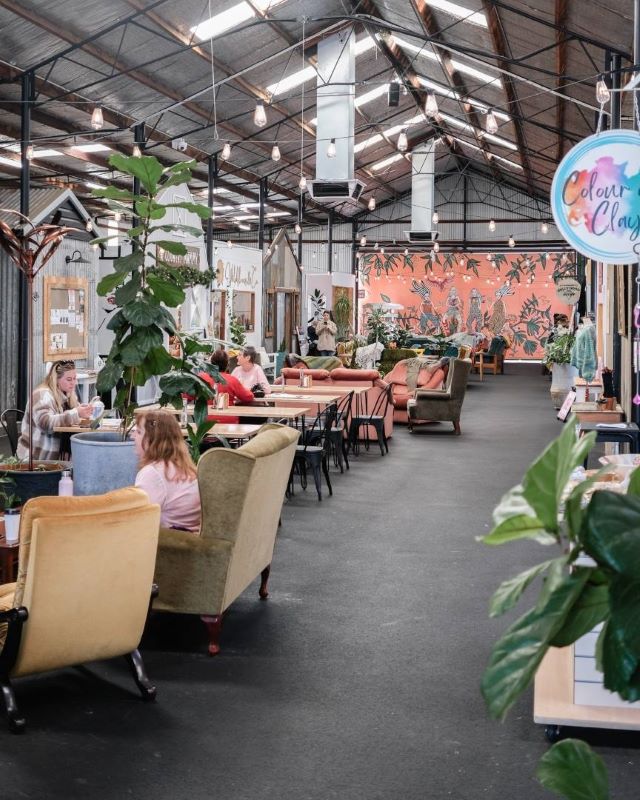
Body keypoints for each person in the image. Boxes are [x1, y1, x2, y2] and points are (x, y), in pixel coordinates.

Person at [133, 409, 201, 532]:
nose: (133, 436)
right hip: (190, 539)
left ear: (152, 439)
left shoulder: (153, 473)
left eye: (138, 432)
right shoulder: (183, 466)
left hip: (169, 544)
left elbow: (139, 520)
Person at [16, 360, 92, 461]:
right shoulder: (42, 395)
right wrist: (76, 413)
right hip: (35, 458)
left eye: (75, 378)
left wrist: (84, 411)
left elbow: (72, 415)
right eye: (69, 379)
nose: (74, 383)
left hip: (54, 457)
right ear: (56, 379)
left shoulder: (68, 395)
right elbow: (46, 423)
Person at [200, 349, 255, 424]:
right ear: (227, 365)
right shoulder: (232, 380)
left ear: (210, 364)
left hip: (203, 420)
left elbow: (187, 396)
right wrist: (249, 389)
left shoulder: (200, 378)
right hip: (228, 420)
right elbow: (248, 397)